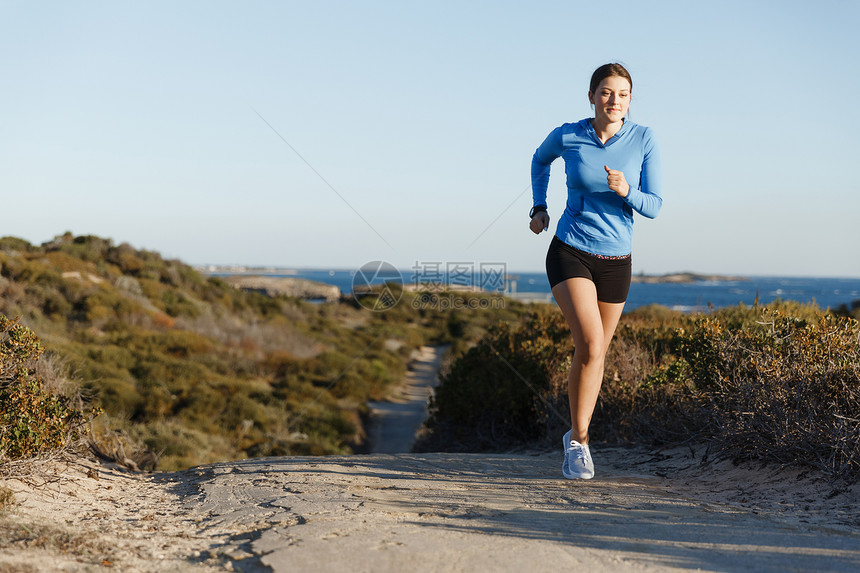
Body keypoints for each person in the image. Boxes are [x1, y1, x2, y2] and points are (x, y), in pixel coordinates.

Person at [529, 63, 663, 479]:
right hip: (571, 251)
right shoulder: (569, 134)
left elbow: (655, 205)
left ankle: (575, 431)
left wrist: (628, 192)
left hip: (616, 262)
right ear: (592, 96)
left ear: (629, 100)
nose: (614, 101)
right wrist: (539, 206)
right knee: (589, 343)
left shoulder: (644, 139)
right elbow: (539, 160)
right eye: (606, 92)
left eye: (622, 94)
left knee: (597, 352)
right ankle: (579, 444)